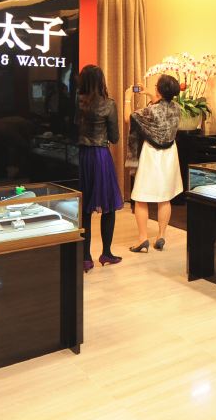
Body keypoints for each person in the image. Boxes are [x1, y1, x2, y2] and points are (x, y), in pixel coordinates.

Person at [127, 73, 183, 253]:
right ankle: (161, 235)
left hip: (152, 154)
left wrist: (127, 98)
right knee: (164, 197)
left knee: (141, 197)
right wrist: (149, 94)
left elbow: (130, 118)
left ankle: (142, 239)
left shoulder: (150, 111)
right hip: (170, 154)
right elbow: (161, 108)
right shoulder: (177, 108)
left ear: (159, 90)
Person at [76, 65, 124, 270]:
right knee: (108, 207)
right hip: (100, 157)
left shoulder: (76, 103)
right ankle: (106, 253)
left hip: (81, 156)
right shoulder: (108, 104)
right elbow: (115, 137)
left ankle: (85, 257)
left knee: (84, 208)